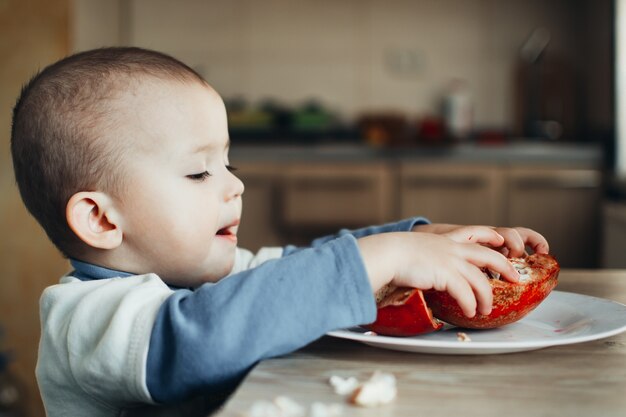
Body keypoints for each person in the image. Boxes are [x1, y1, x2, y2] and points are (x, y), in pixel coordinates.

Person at [10, 47, 549, 417]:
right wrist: (385, 256)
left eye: (229, 165)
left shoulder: (200, 275)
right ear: (102, 219)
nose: (233, 187)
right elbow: (199, 340)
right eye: (199, 171)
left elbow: (298, 273)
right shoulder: (84, 321)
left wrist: (420, 239)